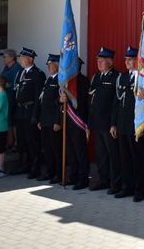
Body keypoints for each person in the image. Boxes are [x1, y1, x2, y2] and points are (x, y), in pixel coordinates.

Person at [112, 46, 144, 202]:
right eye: (126, 59)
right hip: (123, 124)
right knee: (124, 158)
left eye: (130, 59)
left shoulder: (143, 78)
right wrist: (114, 124)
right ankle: (127, 187)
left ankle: (139, 189)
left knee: (137, 158)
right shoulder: (122, 78)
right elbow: (116, 102)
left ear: (137, 60)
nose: (127, 62)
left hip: (136, 125)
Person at [88, 47, 121, 194]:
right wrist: (89, 123)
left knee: (113, 154)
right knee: (101, 154)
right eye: (98, 61)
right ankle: (103, 180)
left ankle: (116, 183)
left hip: (108, 124)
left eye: (102, 61)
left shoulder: (117, 77)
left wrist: (113, 123)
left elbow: (116, 103)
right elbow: (92, 102)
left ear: (110, 62)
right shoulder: (96, 77)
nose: (99, 64)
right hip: (96, 123)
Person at [11, 47, 46, 178]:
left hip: (30, 111)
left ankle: (35, 168)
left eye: (22, 57)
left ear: (30, 59)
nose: (20, 59)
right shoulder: (21, 72)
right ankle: (24, 165)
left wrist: (35, 115)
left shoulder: (38, 74)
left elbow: (38, 97)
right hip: (20, 111)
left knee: (33, 141)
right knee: (22, 141)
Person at [60, 57, 90, 190]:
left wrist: (87, 123)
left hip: (79, 121)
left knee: (80, 152)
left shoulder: (83, 81)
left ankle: (83, 178)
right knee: (70, 152)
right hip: (68, 120)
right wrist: (61, 100)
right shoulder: (66, 81)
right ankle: (73, 176)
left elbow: (86, 103)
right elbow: (59, 100)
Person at [37, 54, 62, 184]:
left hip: (54, 121)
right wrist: (40, 119)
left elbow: (59, 104)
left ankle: (59, 174)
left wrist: (58, 121)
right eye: (48, 65)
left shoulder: (60, 80)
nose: (48, 67)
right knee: (47, 149)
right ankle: (49, 172)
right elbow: (43, 102)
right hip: (45, 120)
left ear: (57, 65)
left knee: (56, 149)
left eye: (51, 65)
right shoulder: (48, 80)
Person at [1, 49, 20, 151]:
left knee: (14, 121)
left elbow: (19, 83)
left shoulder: (17, 68)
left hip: (14, 98)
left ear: (12, 58)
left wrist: (10, 85)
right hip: (5, 97)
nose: (3, 59)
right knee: (8, 121)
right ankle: (9, 142)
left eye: (5, 57)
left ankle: (16, 143)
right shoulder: (6, 68)